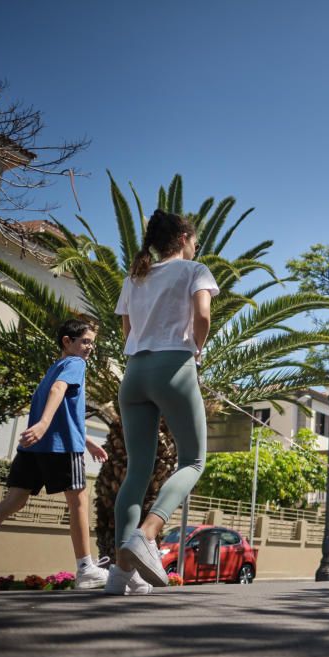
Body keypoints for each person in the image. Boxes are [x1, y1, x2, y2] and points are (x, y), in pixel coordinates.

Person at [0, 319, 111, 592]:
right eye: (86, 341)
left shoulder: (52, 369)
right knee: (79, 501)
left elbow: (63, 411)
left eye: (91, 343)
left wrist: (86, 440)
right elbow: (58, 392)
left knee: (12, 501)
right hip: (61, 448)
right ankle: (86, 568)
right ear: (68, 341)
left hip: (34, 448)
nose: (90, 348)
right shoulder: (75, 364)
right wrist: (42, 425)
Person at [105, 209, 219, 596]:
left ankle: (120, 574)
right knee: (194, 459)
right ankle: (148, 533)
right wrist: (196, 350)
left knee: (136, 471)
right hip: (174, 365)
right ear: (184, 237)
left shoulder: (135, 277)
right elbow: (202, 315)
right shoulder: (194, 270)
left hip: (134, 372)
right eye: (195, 239)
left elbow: (128, 332)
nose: (196, 246)